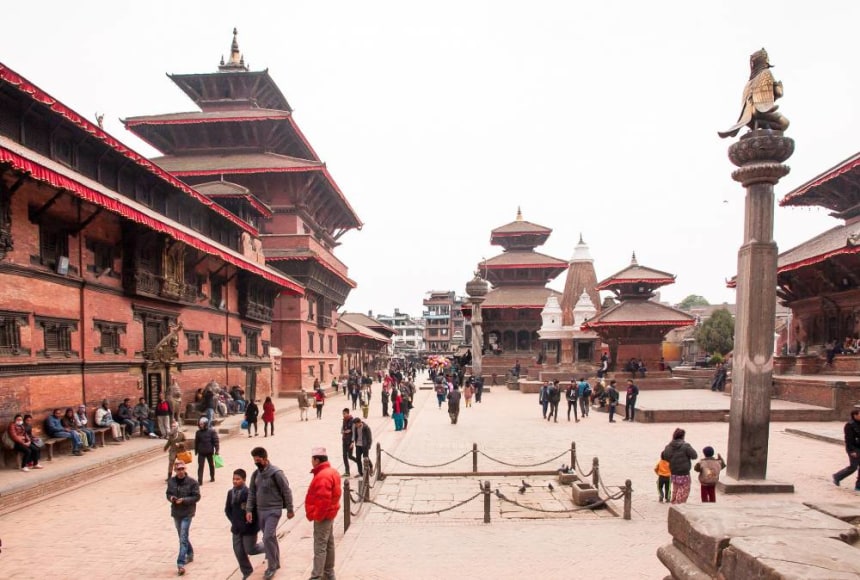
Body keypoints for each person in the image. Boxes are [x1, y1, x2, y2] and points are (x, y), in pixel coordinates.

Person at [246, 447, 295, 580]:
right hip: (260, 510)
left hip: (274, 510)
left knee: (267, 537)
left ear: (265, 459)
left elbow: (286, 490)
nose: (256, 463)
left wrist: (290, 509)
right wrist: (249, 509)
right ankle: (276, 561)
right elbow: (251, 492)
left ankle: (271, 566)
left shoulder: (276, 473)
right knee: (271, 537)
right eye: (254, 461)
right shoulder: (255, 475)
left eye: (258, 460)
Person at [305, 446, 341, 580]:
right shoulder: (331, 472)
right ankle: (328, 572)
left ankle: (316, 575)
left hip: (324, 515)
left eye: (312, 459)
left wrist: (318, 516)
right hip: (330, 513)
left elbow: (323, 500)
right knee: (329, 543)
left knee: (320, 546)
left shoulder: (322, 476)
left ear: (316, 460)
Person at [225, 468, 263, 580]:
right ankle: (247, 573)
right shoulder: (230, 493)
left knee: (250, 549)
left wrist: (249, 522)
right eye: (234, 479)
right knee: (239, 552)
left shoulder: (249, 493)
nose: (235, 481)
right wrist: (234, 521)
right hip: (236, 528)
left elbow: (256, 510)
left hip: (249, 528)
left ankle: (270, 547)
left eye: (238, 479)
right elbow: (228, 510)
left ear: (244, 480)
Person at [166, 459, 200, 576]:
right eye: (178, 469)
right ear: (175, 470)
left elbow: (196, 496)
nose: (180, 471)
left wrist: (184, 500)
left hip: (187, 512)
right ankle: (190, 553)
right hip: (176, 512)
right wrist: (172, 498)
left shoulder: (192, 482)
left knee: (183, 536)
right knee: (182, 536)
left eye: (182, 469)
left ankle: (180, 563)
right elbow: (168, 493)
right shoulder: (171, 482)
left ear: (185, 469)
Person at [663, 428, 698, 504]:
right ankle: (678, 506)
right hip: (684, 473)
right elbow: (694, 456)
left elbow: (665, 457)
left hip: (674, 472)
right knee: (684, 491)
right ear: (683, 436)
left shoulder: (668, 447)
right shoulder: (686, 446)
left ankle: (674, 503)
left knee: (675, 490)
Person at [832, 408, 860, 490]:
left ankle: (858, 486)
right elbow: (848, 440)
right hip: (854, 448)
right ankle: (837, 476)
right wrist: (852, 451)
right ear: (855, 415)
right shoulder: (849, 425)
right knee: (853, 467)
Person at [194, 417, 220, 485]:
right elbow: (196, 442)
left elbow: (216, 441)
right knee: (200, 467)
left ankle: (212, 477)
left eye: (202, 424)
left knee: (211, 465)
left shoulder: (211, 431)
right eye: (200, 424)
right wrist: (196, 450)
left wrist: (217, 450)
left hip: (209, 452)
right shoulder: (198, 432)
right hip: (201, 452)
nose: (201, 425)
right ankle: (200, 480)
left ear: (206, 424)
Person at [341, 408, 357, 478]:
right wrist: (345, 431)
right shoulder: (344, 420)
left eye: (344, 414)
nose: (343, 415)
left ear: (348, 413)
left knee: (350, 456)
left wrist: (352, 442)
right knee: (344, 456)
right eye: (343, 414)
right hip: (344, 440)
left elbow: (353, 432)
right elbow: (341, 430)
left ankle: (359, 463)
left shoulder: (352, 421)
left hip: (350, 441)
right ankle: (347, 471)